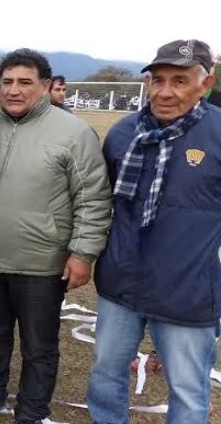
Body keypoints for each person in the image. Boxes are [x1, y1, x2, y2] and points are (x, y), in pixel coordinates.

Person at [0, 48, 112, 424]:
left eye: (25, 82)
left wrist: (83, 253)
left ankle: (31, 411)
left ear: (46, 86)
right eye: (8, 82)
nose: (14, 90)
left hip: (42, 263)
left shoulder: (74, 133)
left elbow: (93, 198)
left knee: (39, 346)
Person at [88, 39, 220, 424]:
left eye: (179, 81)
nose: (165, 92)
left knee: (187, 388)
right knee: (106, 373)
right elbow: (104, 202)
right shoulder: (124, 133)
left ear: (205, 83)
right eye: (157, 80)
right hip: (121, 283)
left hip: (187, 289)